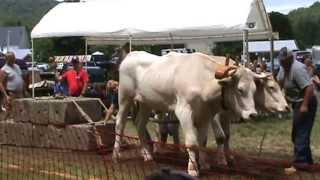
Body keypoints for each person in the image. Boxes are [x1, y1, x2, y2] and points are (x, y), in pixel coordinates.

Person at [277, 47, 317, 173]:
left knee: (300, 132)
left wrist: (304, 106)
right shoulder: (283, 69)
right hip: (297, 104)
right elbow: (280, 83)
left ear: (291, 58)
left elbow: (309, 88)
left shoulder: (297, 69)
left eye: (285, 60)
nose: (282, 63)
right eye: (281, 61)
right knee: (298, 133)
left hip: (306, 103)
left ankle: (300, 163)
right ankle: (307, 161)